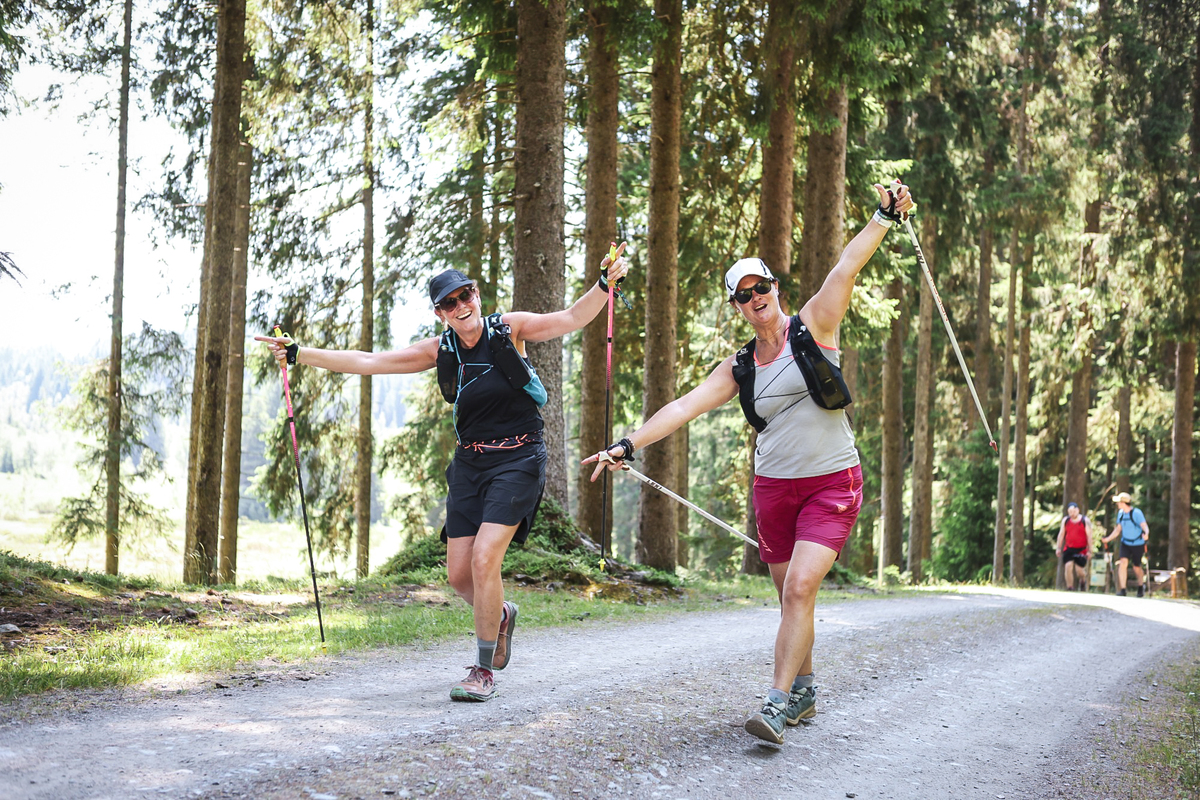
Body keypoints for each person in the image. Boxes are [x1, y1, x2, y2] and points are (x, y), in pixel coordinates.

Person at [585, 182, 915, 745]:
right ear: (736, 306)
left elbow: (845, 267)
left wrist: (884, 218)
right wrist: (628, 444)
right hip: (774, 490)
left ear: (775, 289)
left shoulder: (814, 327)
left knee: (800, 590)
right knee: (789, 594)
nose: (755, 296)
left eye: (761, 286)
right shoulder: (738, 366)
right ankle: (806, 689)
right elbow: (684, 406)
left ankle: (777, 702)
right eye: (743, 293)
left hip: (833, 481)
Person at [257, 248, 630, 702]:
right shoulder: (441, 349)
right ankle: (502, 615)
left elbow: (570, 318)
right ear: (440, 312)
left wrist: (604, 285)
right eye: (449, 303)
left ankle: (483, 669)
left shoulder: (509, 329)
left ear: (477, 294)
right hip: (470, 465)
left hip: (519, 457)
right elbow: (370, 361)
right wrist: (300, 354)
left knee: (484, 559)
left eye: (465, 295)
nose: (461, 306)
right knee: (458, 577)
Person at [1100, 491, 1149, 597]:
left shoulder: (1136, 513)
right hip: (1125, 543)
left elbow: (1144, 526)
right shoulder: (1121, 514)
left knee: (1136, 567)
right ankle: (1122, 589)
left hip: (1137, 543)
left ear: (1123, 503)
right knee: (1122, 563)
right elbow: (1118, 530)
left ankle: (1141, 586)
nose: (1117, 504)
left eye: (1118, 502)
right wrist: (1108, 539)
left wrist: (1146, 533)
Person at [1055, 502, 1092, 591]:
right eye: (1070, 511)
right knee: (1068, 566)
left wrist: (1090, 550)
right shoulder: (1066, 521)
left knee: (1080, 571)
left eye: (1074, 511)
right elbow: (1061, 535)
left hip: (1081, 549)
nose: (1072, 513)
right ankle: (1070, 587)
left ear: (1078, 510)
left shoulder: (1085, 520)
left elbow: (1089, 536)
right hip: (1069, 548)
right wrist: (1058, 547)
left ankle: (1082, 580)